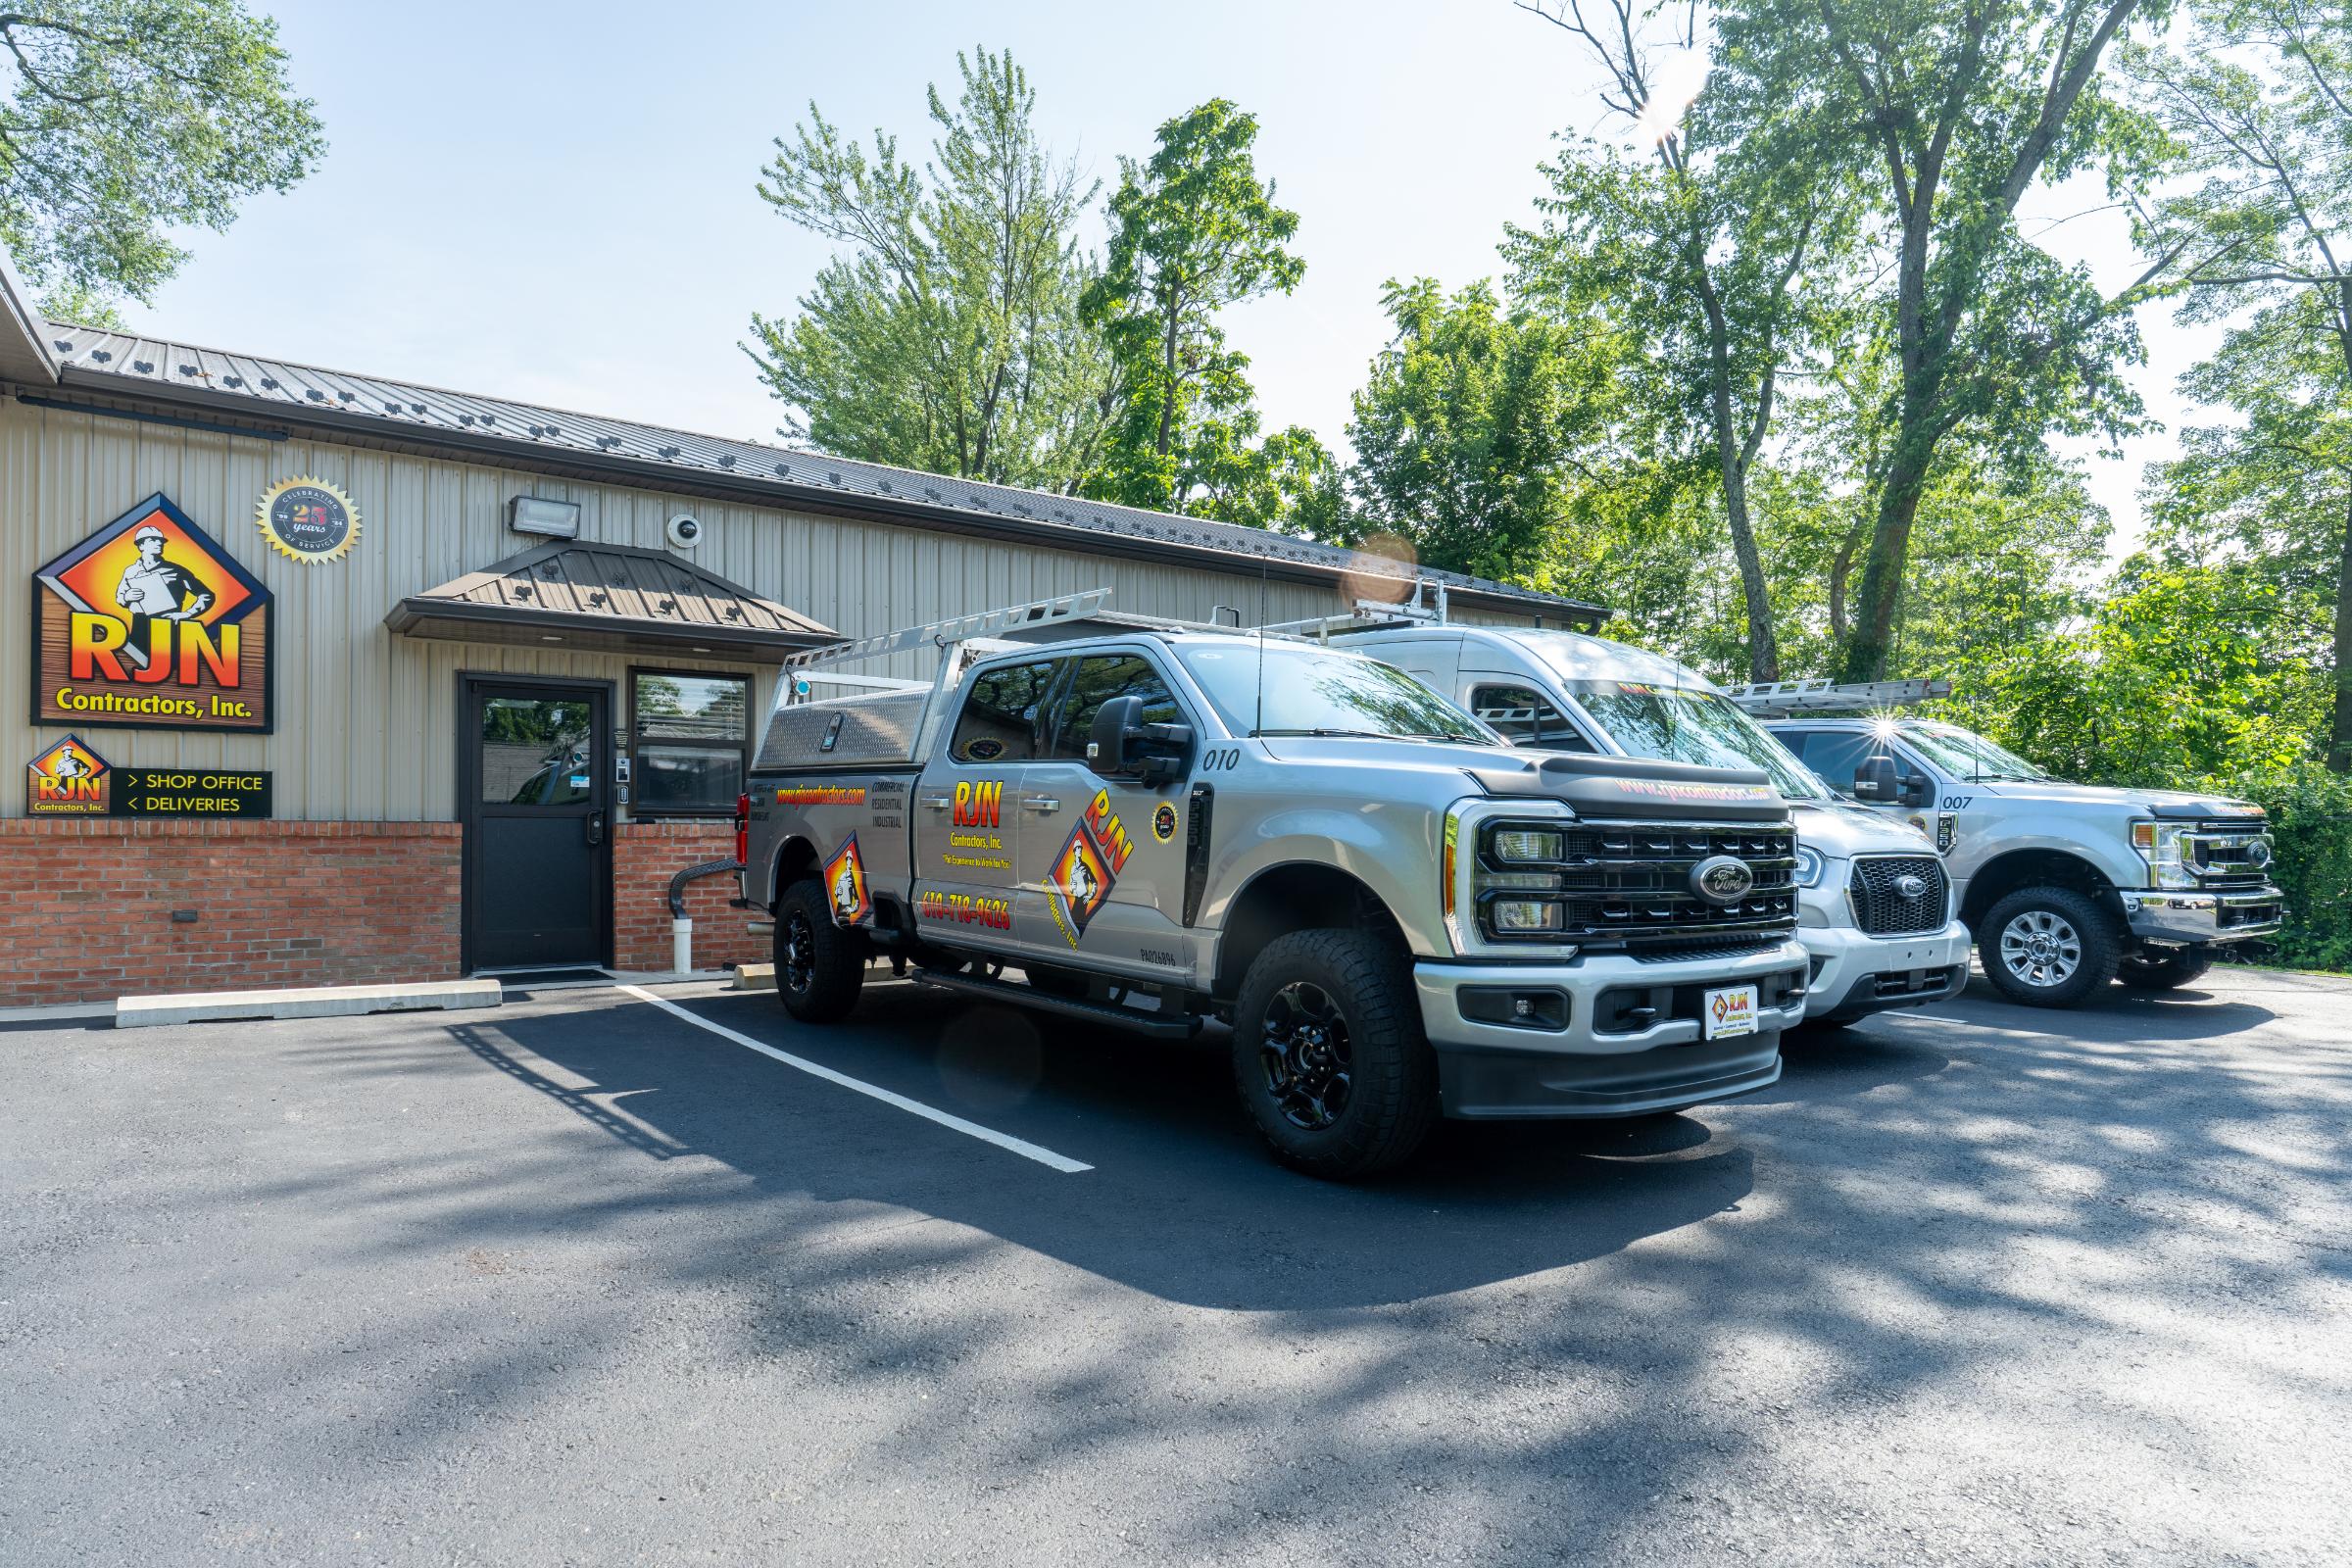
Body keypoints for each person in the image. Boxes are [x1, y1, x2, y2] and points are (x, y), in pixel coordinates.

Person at [114, 523, 214, 654]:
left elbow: (206, 595)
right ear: (141, 545)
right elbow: (120, 597)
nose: (159, 543)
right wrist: (127, 597)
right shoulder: (131, 571)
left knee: (168, 666)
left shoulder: (177, 571)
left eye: (161, 541)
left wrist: (187, 614)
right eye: (152, 540)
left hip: (167, 625)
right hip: (139, 625)